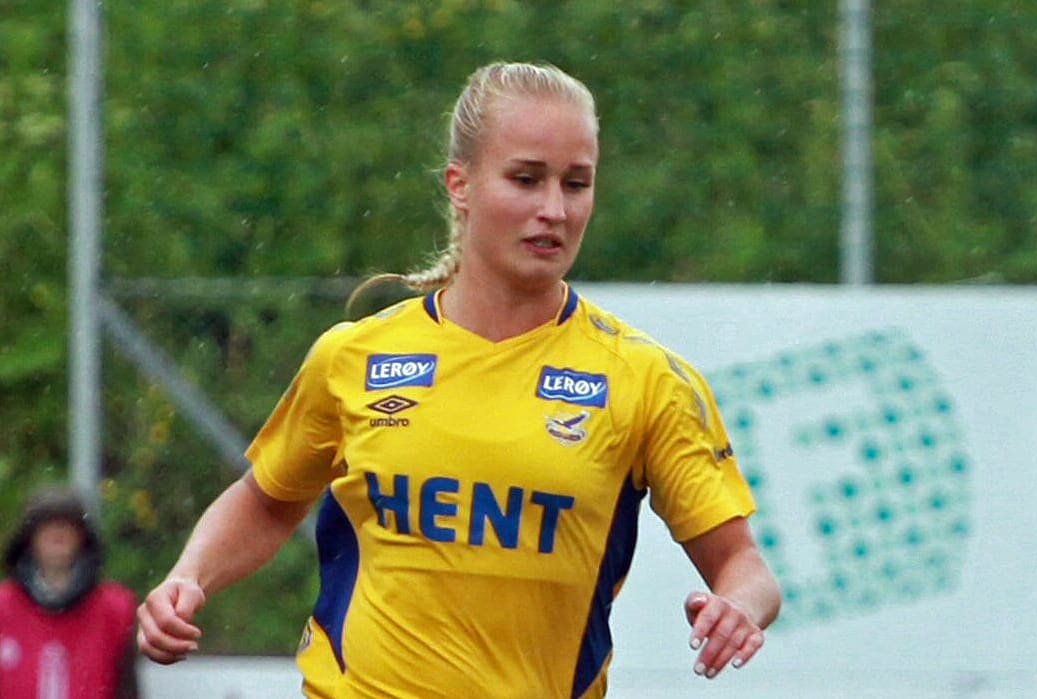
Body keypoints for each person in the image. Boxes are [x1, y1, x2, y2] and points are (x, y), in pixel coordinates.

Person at [136, 60, 781, 698]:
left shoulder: (645, 379)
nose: (554, 209)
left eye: (576, 183)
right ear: (460, 185)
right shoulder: (354, 356)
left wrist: (738, 607)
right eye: (526, 179)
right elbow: (267, 501)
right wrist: (188, 578)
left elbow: (743, 565)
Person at [0, 487, 140, 699]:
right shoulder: (4, 608)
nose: (57, 533)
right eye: (46, 525)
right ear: (29, 538)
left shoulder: (113, 610)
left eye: (67, 526)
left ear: (82, 537)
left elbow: (127, 690)